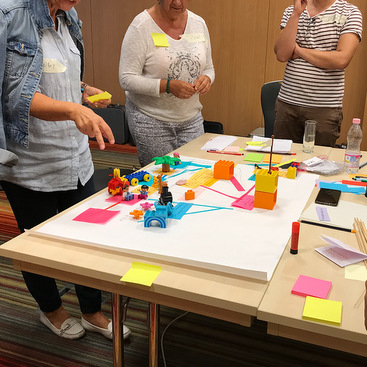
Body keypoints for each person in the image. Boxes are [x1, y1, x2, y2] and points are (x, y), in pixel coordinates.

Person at [0, 0, 131, 340]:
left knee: (87, 239)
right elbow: (15, 97)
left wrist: (83, 92)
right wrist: (73, 109)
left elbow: (56, 74)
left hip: (75, 156)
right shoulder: (10, 15)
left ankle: (92, 311)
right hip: (31, 160)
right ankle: (52, 310)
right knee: (39, 245)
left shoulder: (69, 15)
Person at [119, 0, 215, 167]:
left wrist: (207, 79)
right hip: (151, 120)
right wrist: (167, 86)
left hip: (191, 119)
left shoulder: (198, 23)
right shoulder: (141, 26)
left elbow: (208, 68)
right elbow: (126, 78)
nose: (178, 2)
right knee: (162, 182)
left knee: (193, 177)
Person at [273, 0, 362, 147]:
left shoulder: (349, 12)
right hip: (287, 103)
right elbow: (282, 54)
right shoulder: (293, 10)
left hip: (324, 108)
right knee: (282, 161)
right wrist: (296, 14)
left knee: (318, 164)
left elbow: (341, 60)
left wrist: (299, 50)